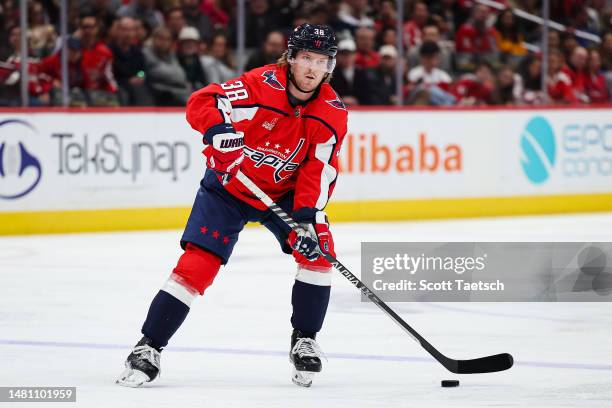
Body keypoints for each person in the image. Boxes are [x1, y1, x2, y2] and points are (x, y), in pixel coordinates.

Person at [116, 23, 347, 389]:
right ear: (290, 58)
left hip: (284, 196)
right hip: (229, 187)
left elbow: (320, 170)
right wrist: (217, 130)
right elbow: (203, 101)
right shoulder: (260, 86)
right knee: (197, 265)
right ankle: (148, 347)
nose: (312, 69)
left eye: (322, 61)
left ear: (330, 66)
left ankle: (305, 338)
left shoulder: (331, 112)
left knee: (318, 253)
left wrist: (305, 219)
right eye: (306, 58)